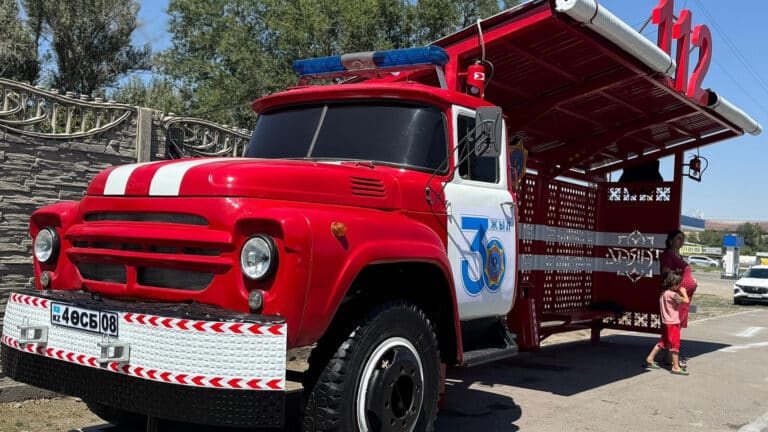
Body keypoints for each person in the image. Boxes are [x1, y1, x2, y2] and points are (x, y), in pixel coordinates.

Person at [659, 229, 697, 365]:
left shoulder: (679, 256)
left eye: (683, 239)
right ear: (671, 241)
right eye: (678, 238)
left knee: (677, 325)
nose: (681, 241)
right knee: (672, 326)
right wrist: (680, 282)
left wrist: (692, 281)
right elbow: (666, 272)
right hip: (676, 295)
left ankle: (670, 357)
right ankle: (669, 358)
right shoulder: (668, 255)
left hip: (683, 295)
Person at [645, 271, 689, 375]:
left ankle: (650, 359)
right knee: (675, 345)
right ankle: (675, 367)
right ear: (673, 284)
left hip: (665, 321)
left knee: (663, 342)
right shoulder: (673, 294)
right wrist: (684, 292)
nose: (679, 286)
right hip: (673, 323)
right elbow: (686, 301)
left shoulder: (664, 293)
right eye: (678, 284)